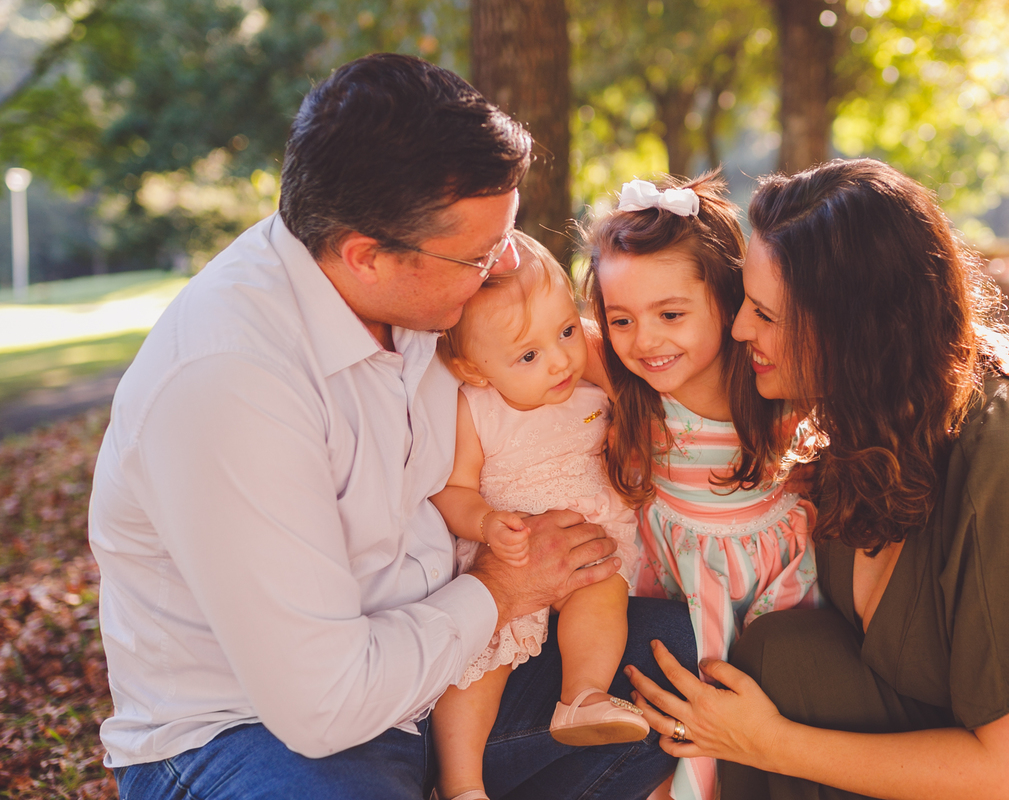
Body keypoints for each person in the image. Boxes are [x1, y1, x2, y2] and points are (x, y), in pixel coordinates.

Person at [88, 53, 694, 800]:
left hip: (442, 679)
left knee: (690, 662)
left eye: (504, 237)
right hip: (258, 737)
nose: (504, 265)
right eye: (478, 255)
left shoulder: (420, 301)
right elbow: (322, 707)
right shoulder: (230, 384)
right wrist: (502, 587)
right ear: (367, 257)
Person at [624, 157, 1009, 799]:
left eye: (766, 314)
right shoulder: (861, 415)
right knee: (782, 657)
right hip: (963, 723)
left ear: (854, 331)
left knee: (774, 706)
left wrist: (765, 742)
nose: (738, 329)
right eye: (744, 304)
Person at [582, 173, 820, 800]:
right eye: (622, 319)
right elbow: (535, 325)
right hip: (676, 570)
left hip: (767, 575)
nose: (645, 341)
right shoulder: (621, 381)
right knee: (674, 713)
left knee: (748, 700)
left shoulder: (772, 388)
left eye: (671, 314)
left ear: (728, 299)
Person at [428, 232, 649, 800]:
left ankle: (581, 696)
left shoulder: (590, 389)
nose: (559, 360)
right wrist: (485, 524)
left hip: (589, 547)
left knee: (604, 596)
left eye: (567, 331)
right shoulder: (477, 407)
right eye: (528, 355)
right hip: (514, 553)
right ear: (475, 370)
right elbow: (454, 491)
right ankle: (460, 783)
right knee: (483, 660)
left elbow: (634, 429)